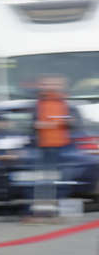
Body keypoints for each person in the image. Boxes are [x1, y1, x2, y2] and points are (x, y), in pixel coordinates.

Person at [31, 75, 75, 216]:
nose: (50, 87)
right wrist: (53, 123)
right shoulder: (39, 103)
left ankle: (58, 209)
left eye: (55, 84)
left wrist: (54, 123)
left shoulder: (64, 102)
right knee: (46, 179)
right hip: (45, 146)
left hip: (63, 145)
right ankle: (45, 210)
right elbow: (35, 123)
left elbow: (71, 121)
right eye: (46, 84)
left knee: (61, 178)